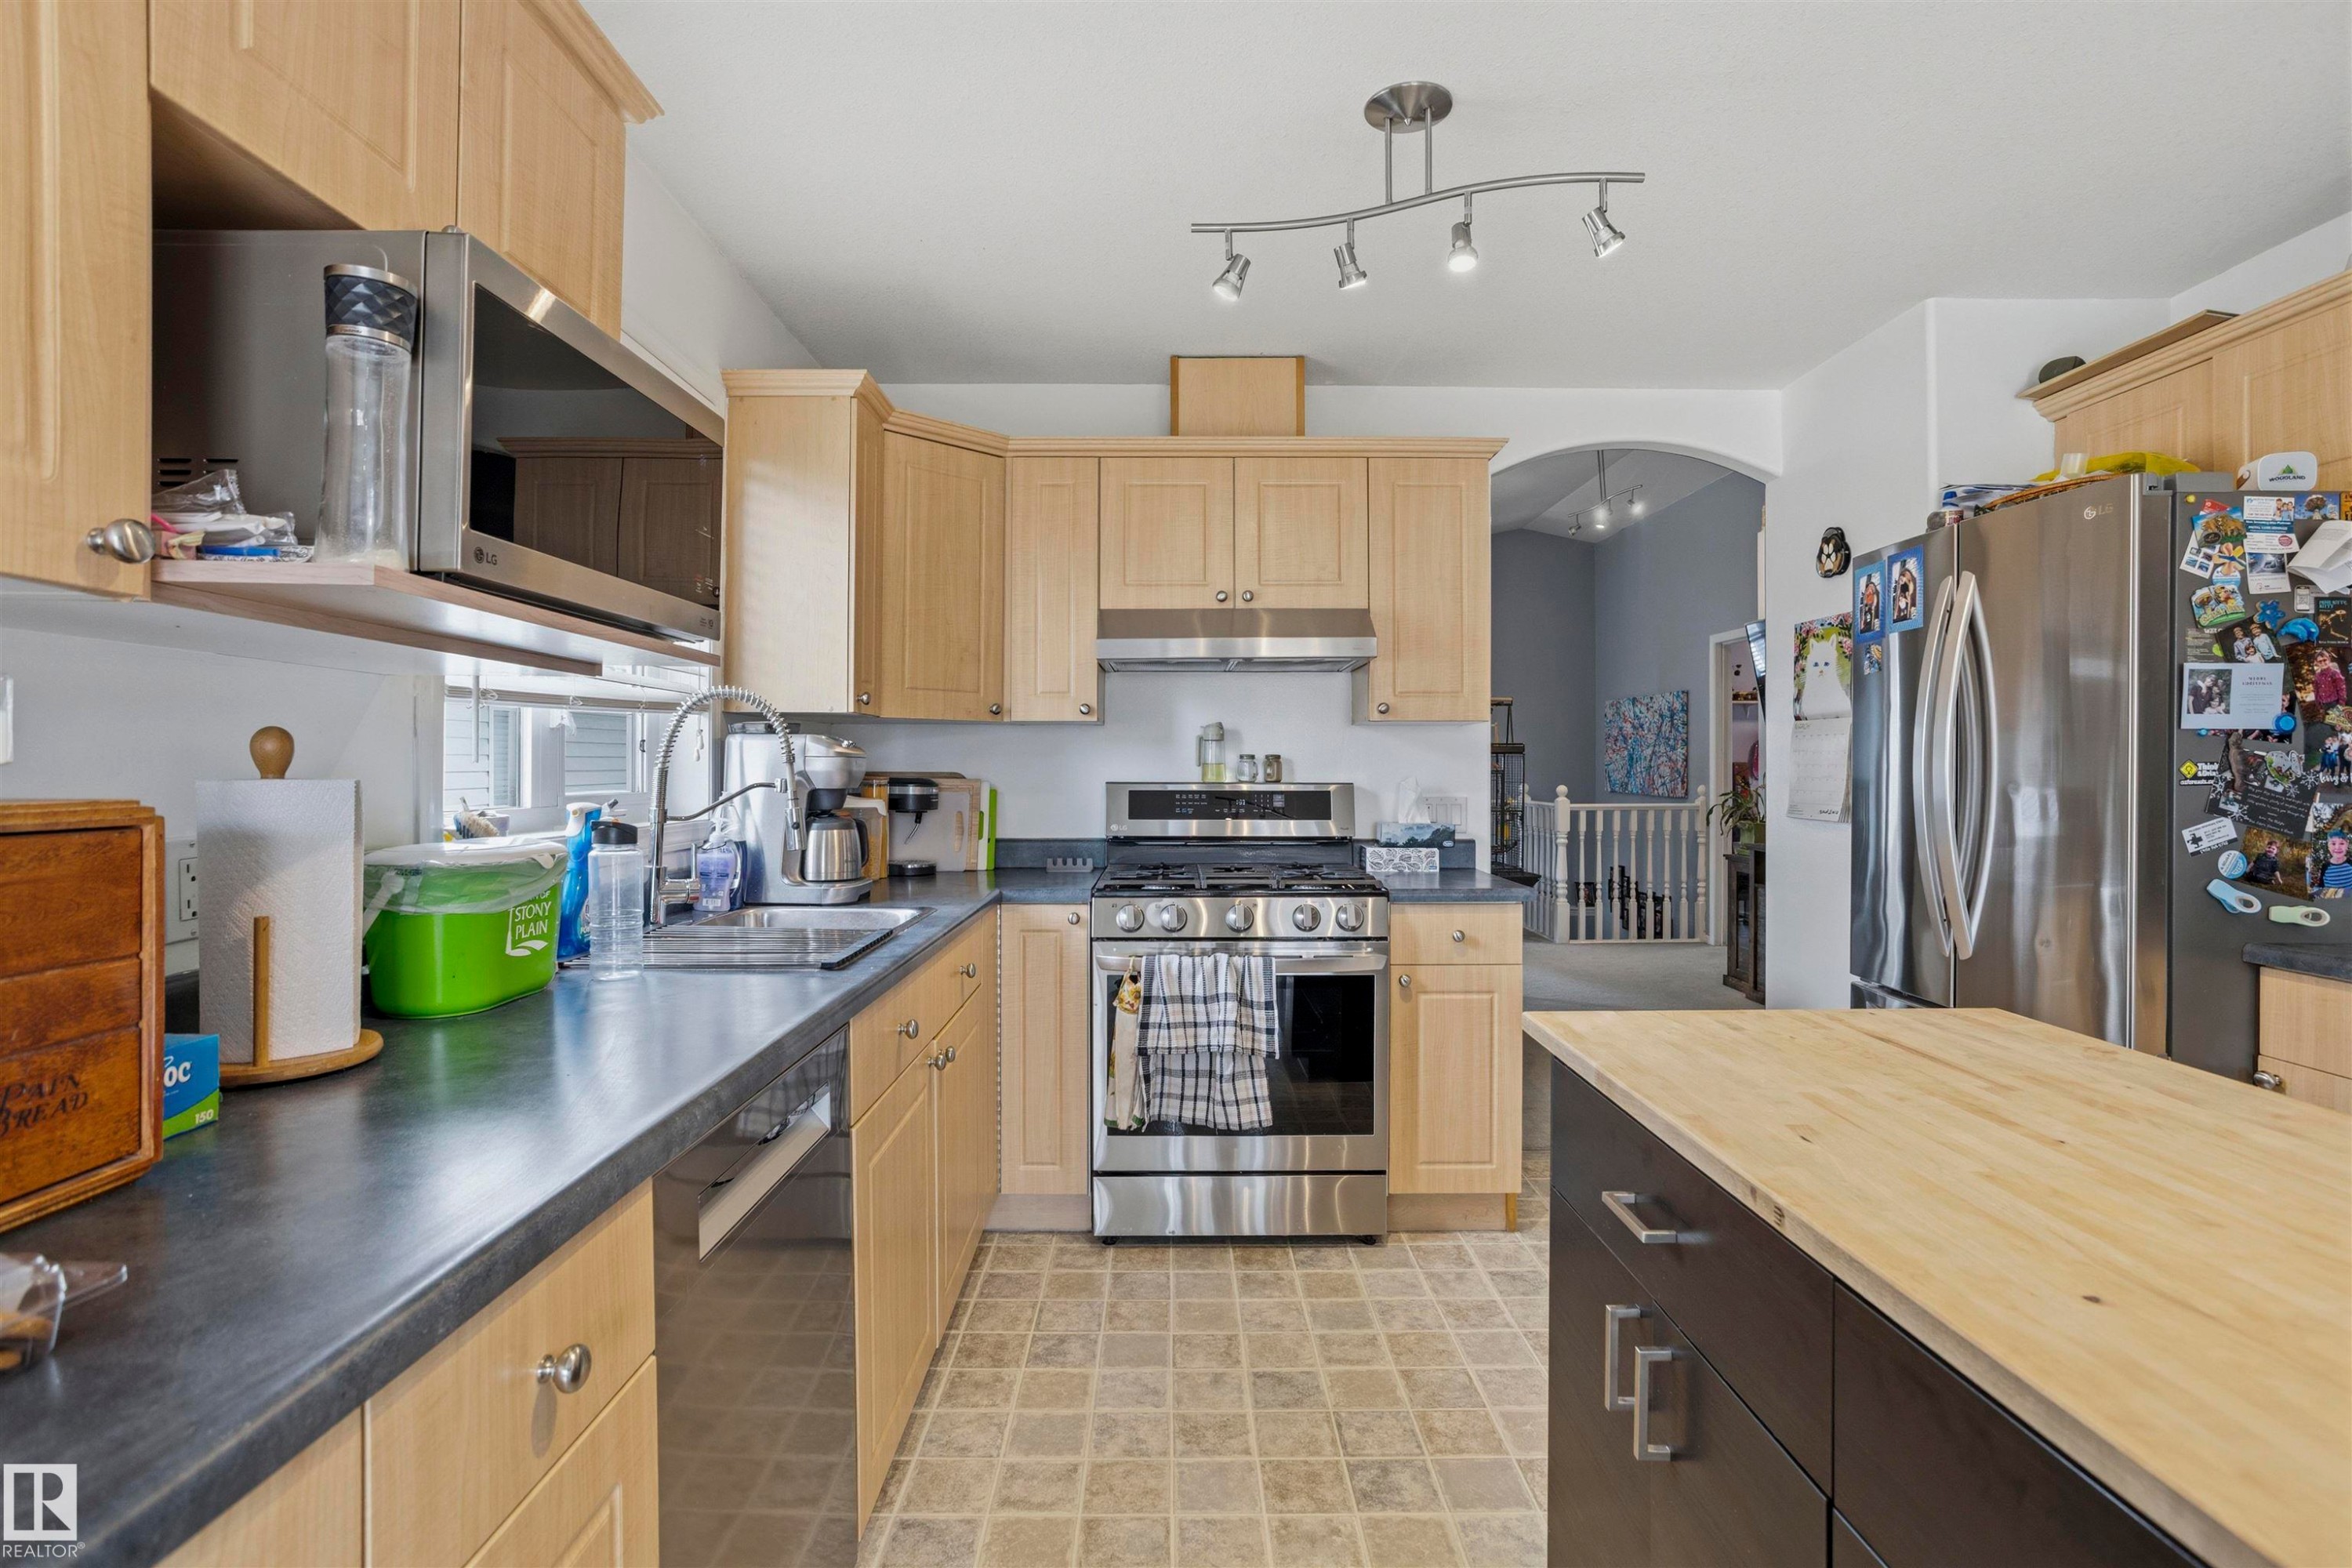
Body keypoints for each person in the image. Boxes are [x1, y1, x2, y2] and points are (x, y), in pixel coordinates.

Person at [2319, 830, 2352, 898]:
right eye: (2333, 844)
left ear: (2347, 845)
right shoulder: (2325, 866)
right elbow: (2322, 886)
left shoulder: (2350, 864)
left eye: (2342, 844)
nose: (2337, 847)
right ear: (2328, 846)